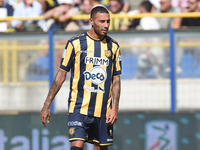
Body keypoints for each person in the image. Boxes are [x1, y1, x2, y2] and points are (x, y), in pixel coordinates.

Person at [40, 5, 122, 150]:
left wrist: (114, 108)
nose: (106, 25)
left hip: (103, 111)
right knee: (76, 147)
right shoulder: (75, 43)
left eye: (108, 21)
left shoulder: (113, 47)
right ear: (91, 21)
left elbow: (116, 80)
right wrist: (47, 104)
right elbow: (61, 74)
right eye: (102, 21)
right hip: (78, 108)